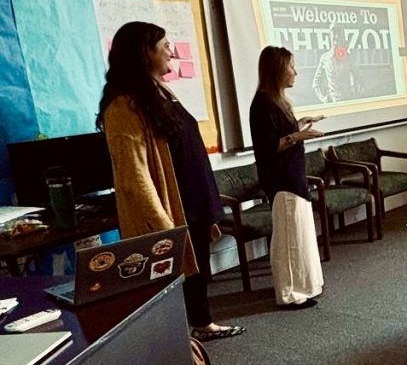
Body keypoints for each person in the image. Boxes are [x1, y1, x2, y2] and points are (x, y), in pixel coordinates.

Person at [97, 21, 244, 342]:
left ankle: (202, 325)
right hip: (168, 211)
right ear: (143, 52)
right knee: (171, 277)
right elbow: (134, 175)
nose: (172, 52)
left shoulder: (156, 90)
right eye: (165, 47)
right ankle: (175, 346)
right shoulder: (123, 103)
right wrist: (166, 227)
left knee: (197, 269)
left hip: (192, 201)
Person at [250, 46, 326, 309]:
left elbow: (282, 133)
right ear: (277, 70)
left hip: (293, 177)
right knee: (288, 239)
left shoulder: (276, 100)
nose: (296, 72)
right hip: (282, 181)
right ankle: (289, 293)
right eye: (291, 66)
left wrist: (299, 123)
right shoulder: (262, 104)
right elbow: (269, 146)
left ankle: (305, 286)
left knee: (299, 234)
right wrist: (300, 135)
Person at [313, 22, 360, 103]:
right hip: (333, 103)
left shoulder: (348, 57)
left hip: (348, 102)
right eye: (334, 33)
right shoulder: (325, 58)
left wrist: (355, 92)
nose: (337, 37)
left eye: (339, 33)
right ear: (329, 36)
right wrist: (323, 98)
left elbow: (359, 77)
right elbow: (315, 82)